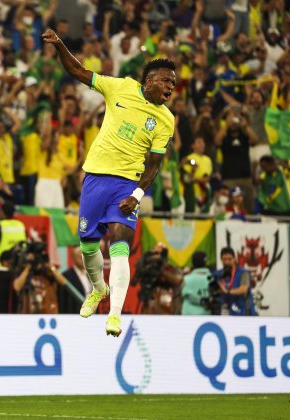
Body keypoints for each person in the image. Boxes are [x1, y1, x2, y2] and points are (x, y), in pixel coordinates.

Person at [42, 29, 176, 336]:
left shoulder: (165, 119)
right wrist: (61, 44)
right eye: (166, 80)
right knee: (89, 246)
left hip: (126, 184)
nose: (171, 87)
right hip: (94, 178)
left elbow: (154, 165)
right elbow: (77, 71)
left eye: (174, 84)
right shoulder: (121, 88)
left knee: (119, 246)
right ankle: (98, 289)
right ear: (148, 80)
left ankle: (114, 314)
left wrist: (138, 194)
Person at [215, 247, 257, 316]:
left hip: (243, 312)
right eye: (224, 259)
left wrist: (227, 291)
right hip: (225, 312)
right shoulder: (217, 274)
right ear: (221, 259)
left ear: (234, 259)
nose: (227, 262)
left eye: (230, 259)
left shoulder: (243, 273)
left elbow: (243, 289)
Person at [181, 251, 213, 315]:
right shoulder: (212, 278)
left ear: (192, 263)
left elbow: (183, 294)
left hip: (188, 315)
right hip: (206, 315)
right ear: (205, 263)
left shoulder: (186, 279)